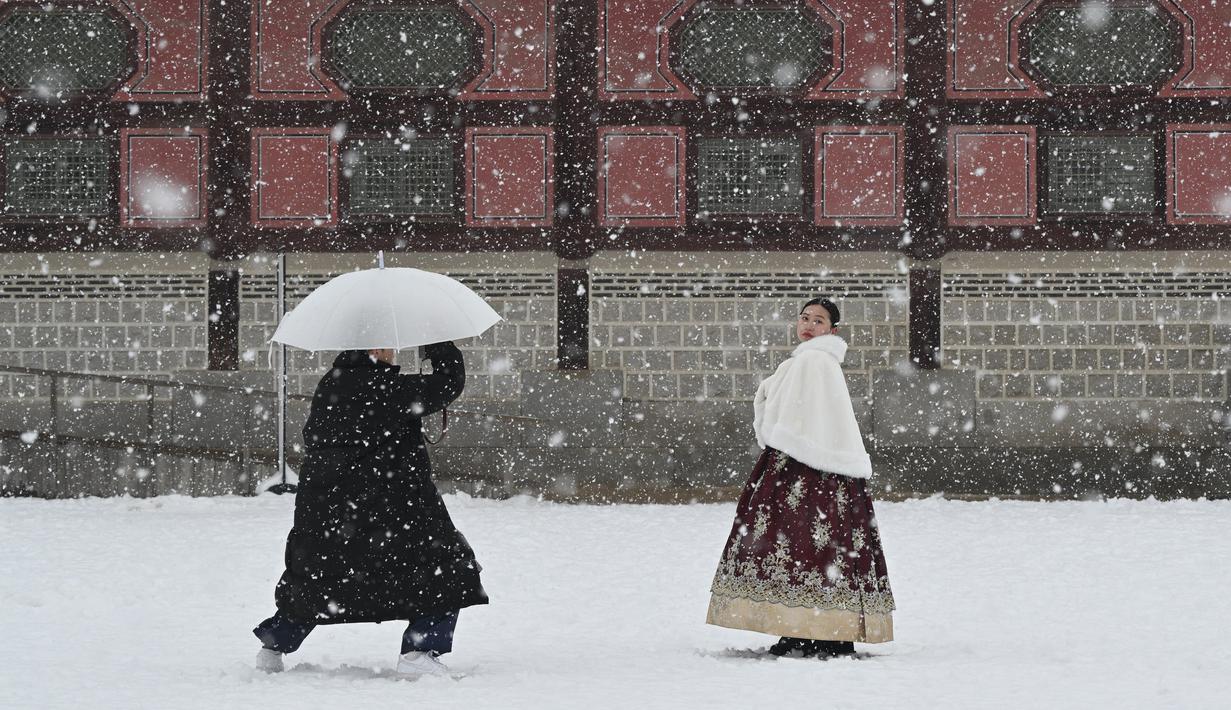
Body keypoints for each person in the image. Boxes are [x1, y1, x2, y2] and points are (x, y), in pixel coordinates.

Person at [253, 342, 487, 677]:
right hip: (390, 512)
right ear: (374, 348)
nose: (393, 350)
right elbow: (448, 383)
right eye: (388, 345)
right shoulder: (388, 389)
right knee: (448, 569)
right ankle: (418, 652)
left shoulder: (330, 385)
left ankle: (273, 646)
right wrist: (438, 345)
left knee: (319, 583)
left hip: (331, 513)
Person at [706, 297, 895, 658]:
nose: (809, 325)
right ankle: (824, 629)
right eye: (805, 318)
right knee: (822, 546)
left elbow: (790, 416)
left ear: (832, 330)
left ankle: (802, 628)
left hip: (799, 467)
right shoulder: (815, 361)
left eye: (819, 320)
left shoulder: (811, 361)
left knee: (794, 543)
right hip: (825, 472)